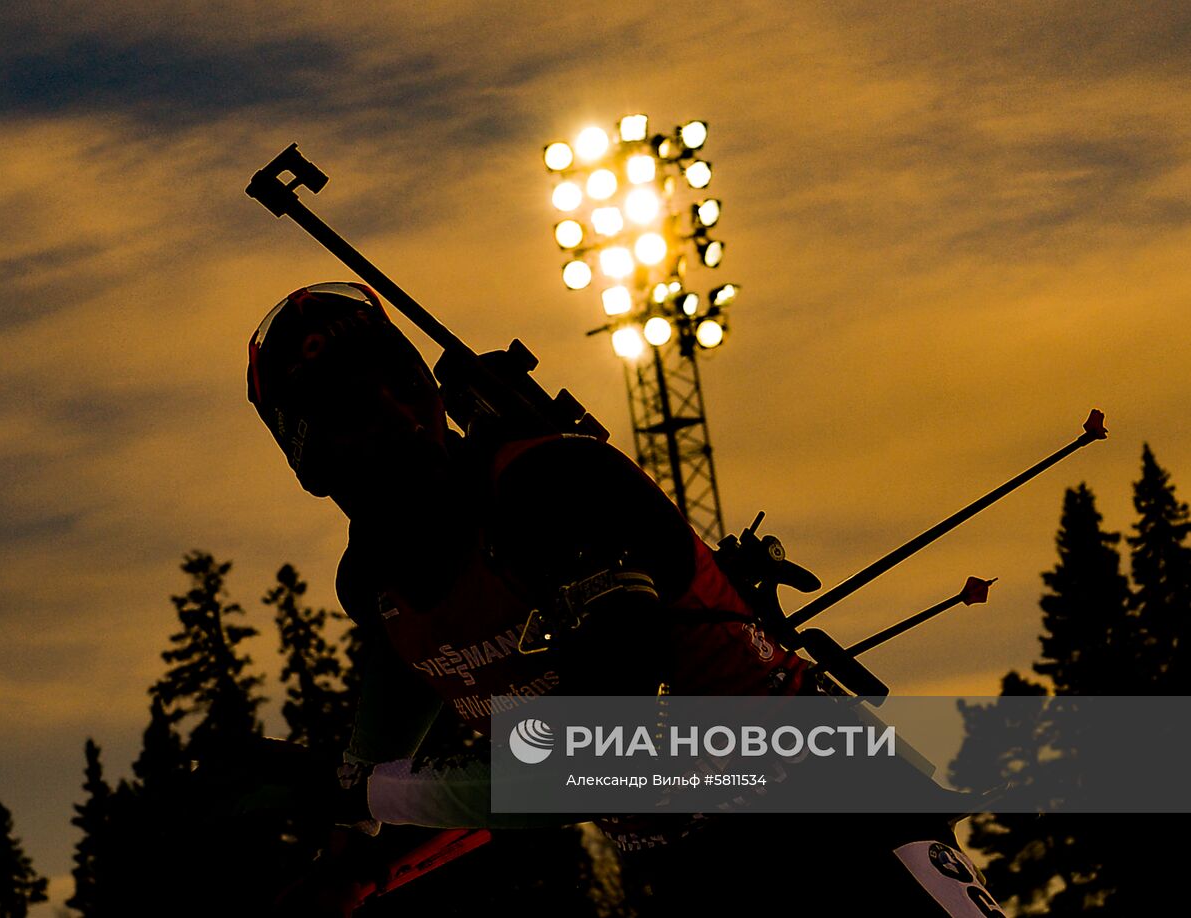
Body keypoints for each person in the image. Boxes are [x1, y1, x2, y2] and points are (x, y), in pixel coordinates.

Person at [247, 281, 1007, 916]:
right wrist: (351, 859)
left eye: (407, 381)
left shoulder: (549, 485)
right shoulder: (379, 586)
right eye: (355, 404)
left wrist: (366, 799)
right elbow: (383, 763)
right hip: (696, 872)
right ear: (307, 450)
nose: (401, 412)